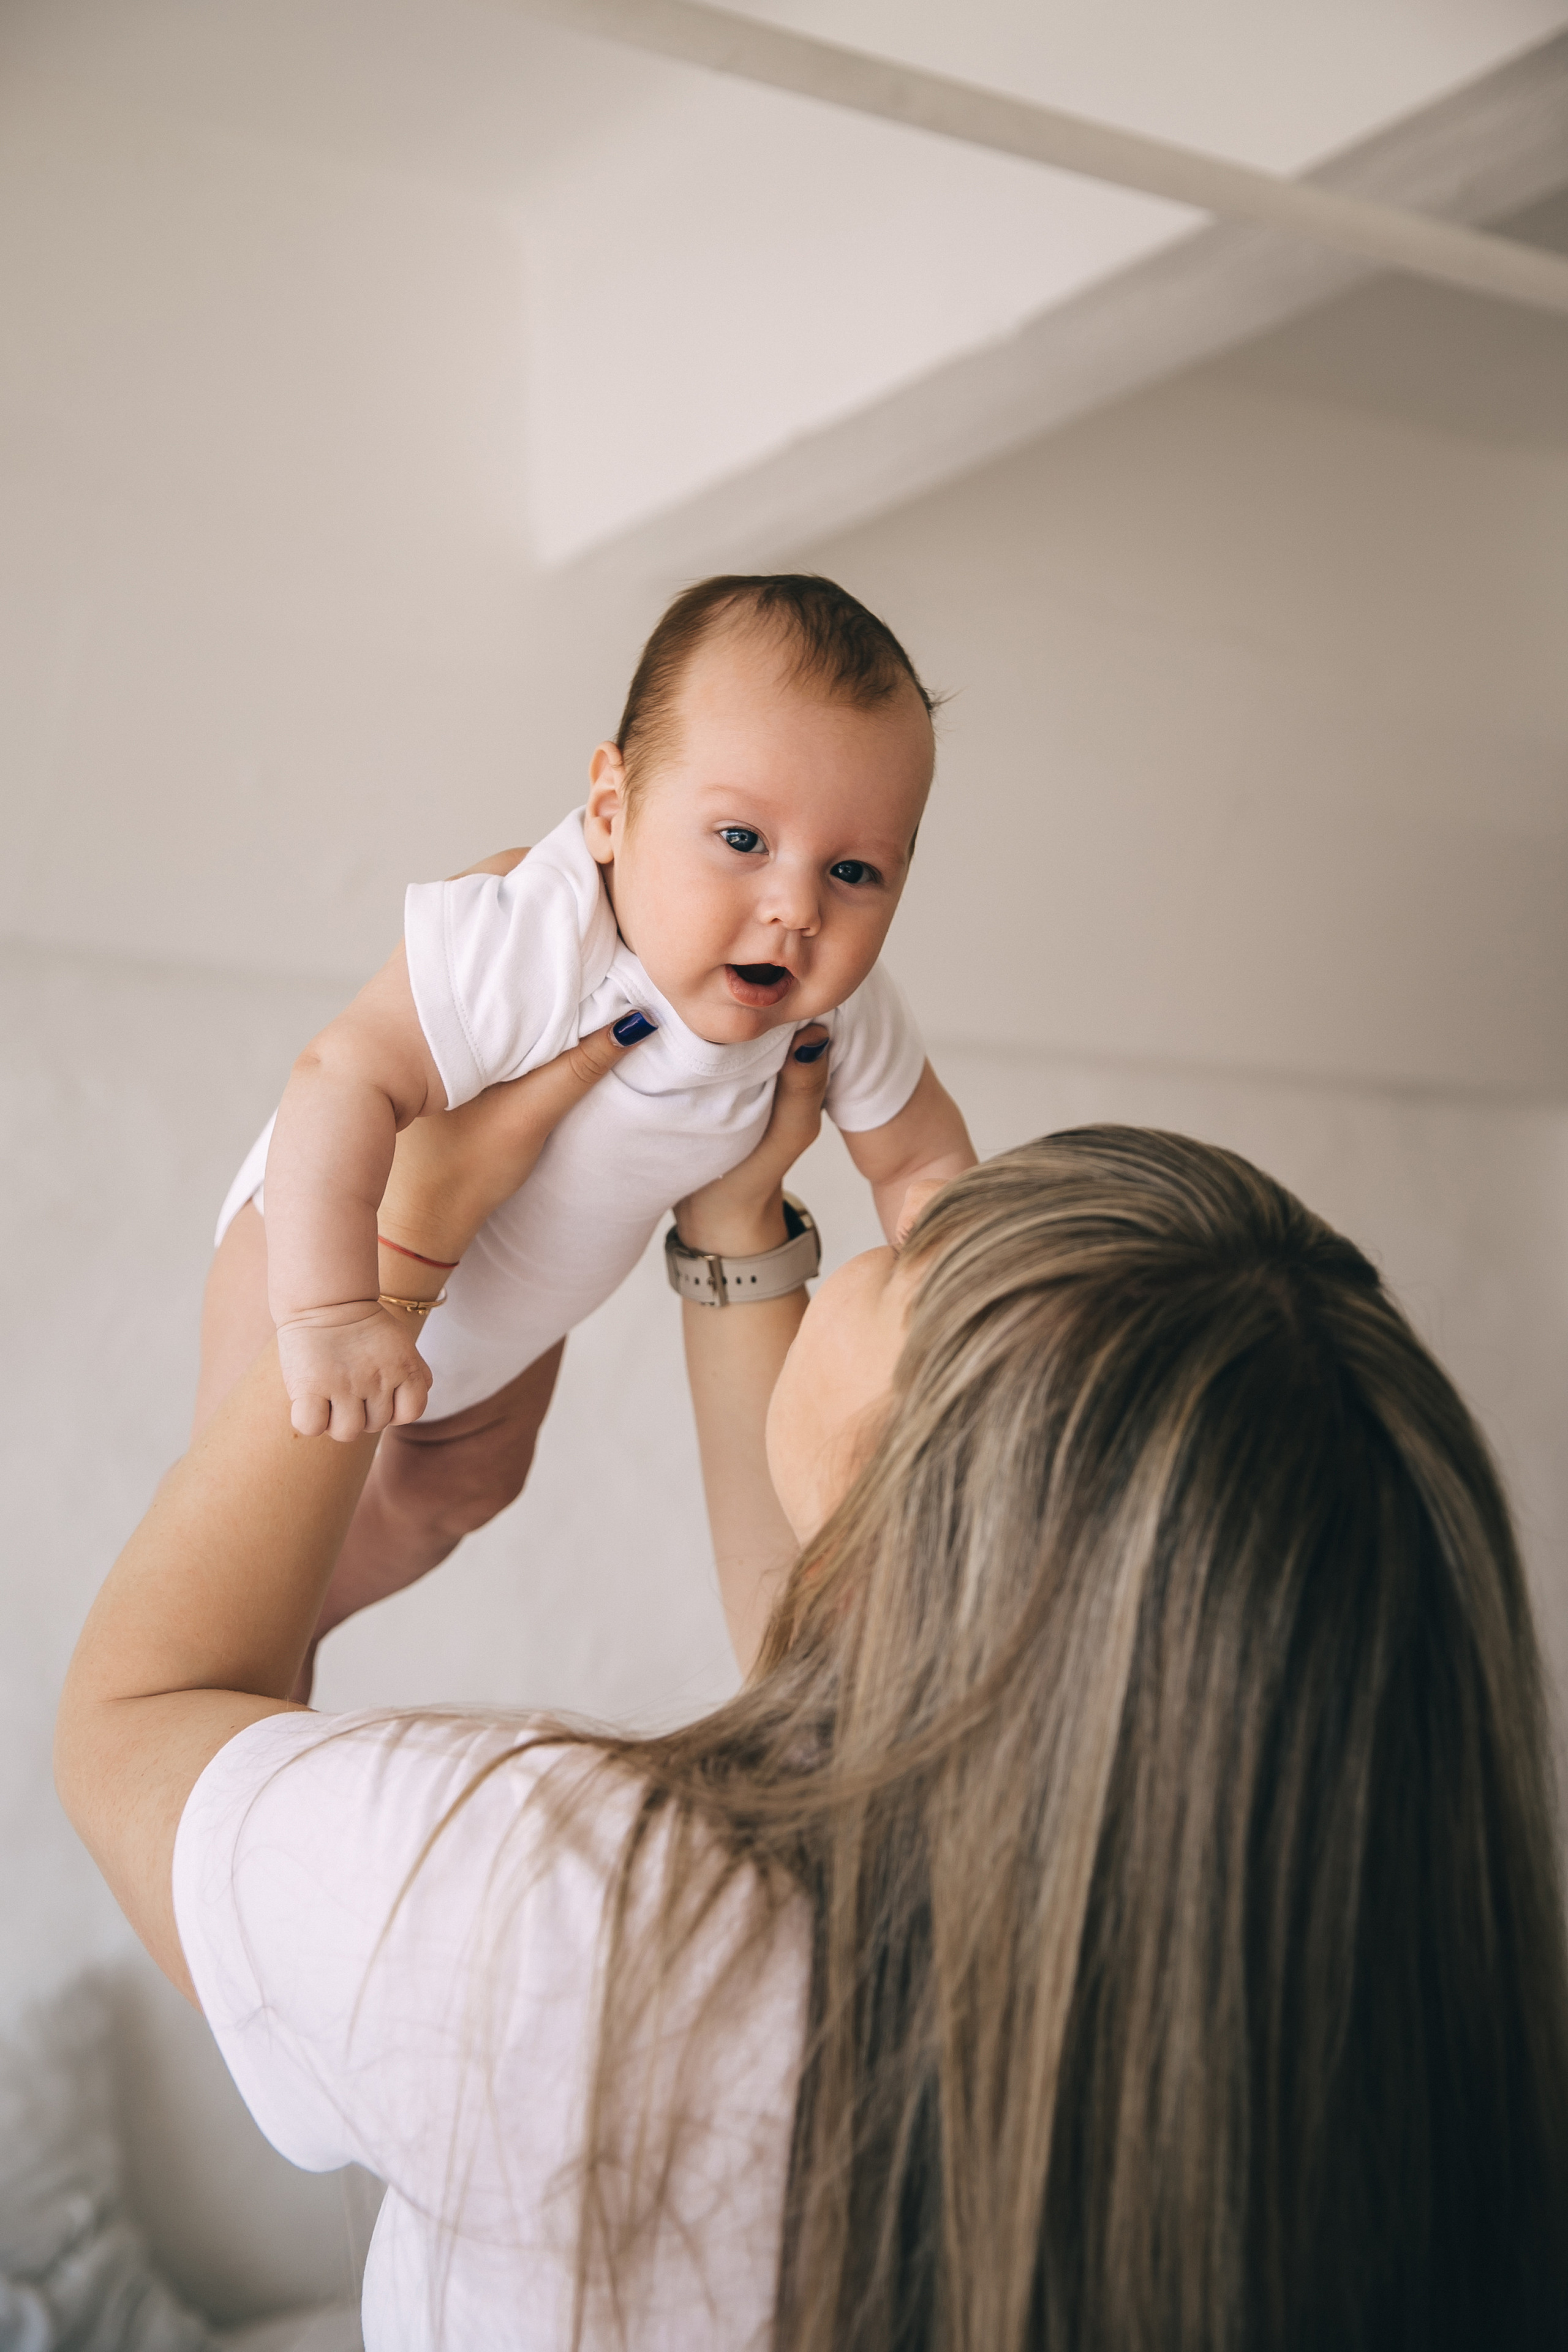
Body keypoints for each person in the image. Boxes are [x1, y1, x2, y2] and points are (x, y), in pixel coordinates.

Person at [59, 1025, 1568, 2350]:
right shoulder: (1378, 2069)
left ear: (908, 1519)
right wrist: (732, 1216)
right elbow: (844, 1699)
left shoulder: (572, 1923)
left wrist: (391, 1256)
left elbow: (137, 1723)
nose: (866, 1245)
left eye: (914, 1253)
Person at [197, 575, 974, 1694]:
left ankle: (306, 1621)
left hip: (512, 1318)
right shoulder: (540, 932)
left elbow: (926, 1164)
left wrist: (973, 1313)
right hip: (321, 1256)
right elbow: (342, 1077)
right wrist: (326, 1312)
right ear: (612, 811)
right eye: (743, 838)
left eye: (854, 872)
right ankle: (252, 1646)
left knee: (465, 1491)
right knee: (255, 1519)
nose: (796, 908)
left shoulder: (839, 1011)